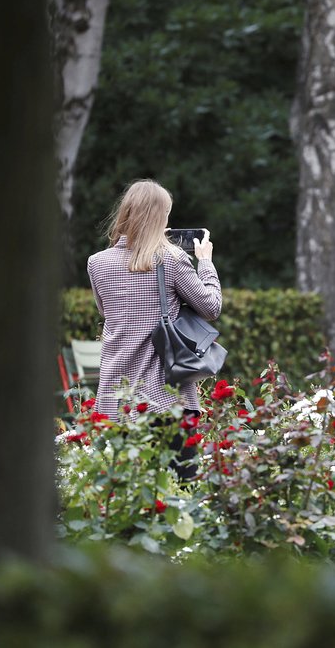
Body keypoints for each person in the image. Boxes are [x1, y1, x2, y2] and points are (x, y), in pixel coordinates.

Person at [87, 180, 222, 472]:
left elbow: (107, 312)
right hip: (166, 399)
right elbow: (211, 307)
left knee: (123, 499)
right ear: (160, 218)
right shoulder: (171, 260)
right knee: (179, 493)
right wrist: (206, 262)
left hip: (116, 400)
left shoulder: (96, 263)